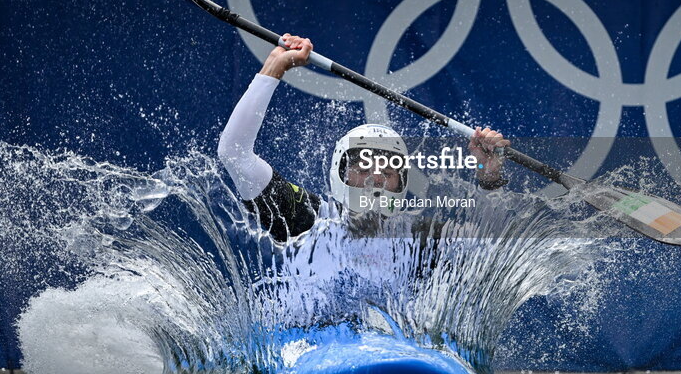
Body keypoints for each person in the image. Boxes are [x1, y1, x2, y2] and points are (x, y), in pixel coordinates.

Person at [218, 34, 510, 243]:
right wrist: (274, 67)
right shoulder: (304, 218)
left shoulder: (421, 238)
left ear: (403, 181)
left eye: (388, 169)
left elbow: (492, 245)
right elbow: (234, 153)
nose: (377, 177)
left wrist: (490, 175)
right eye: (363, 167)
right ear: (340, 172)